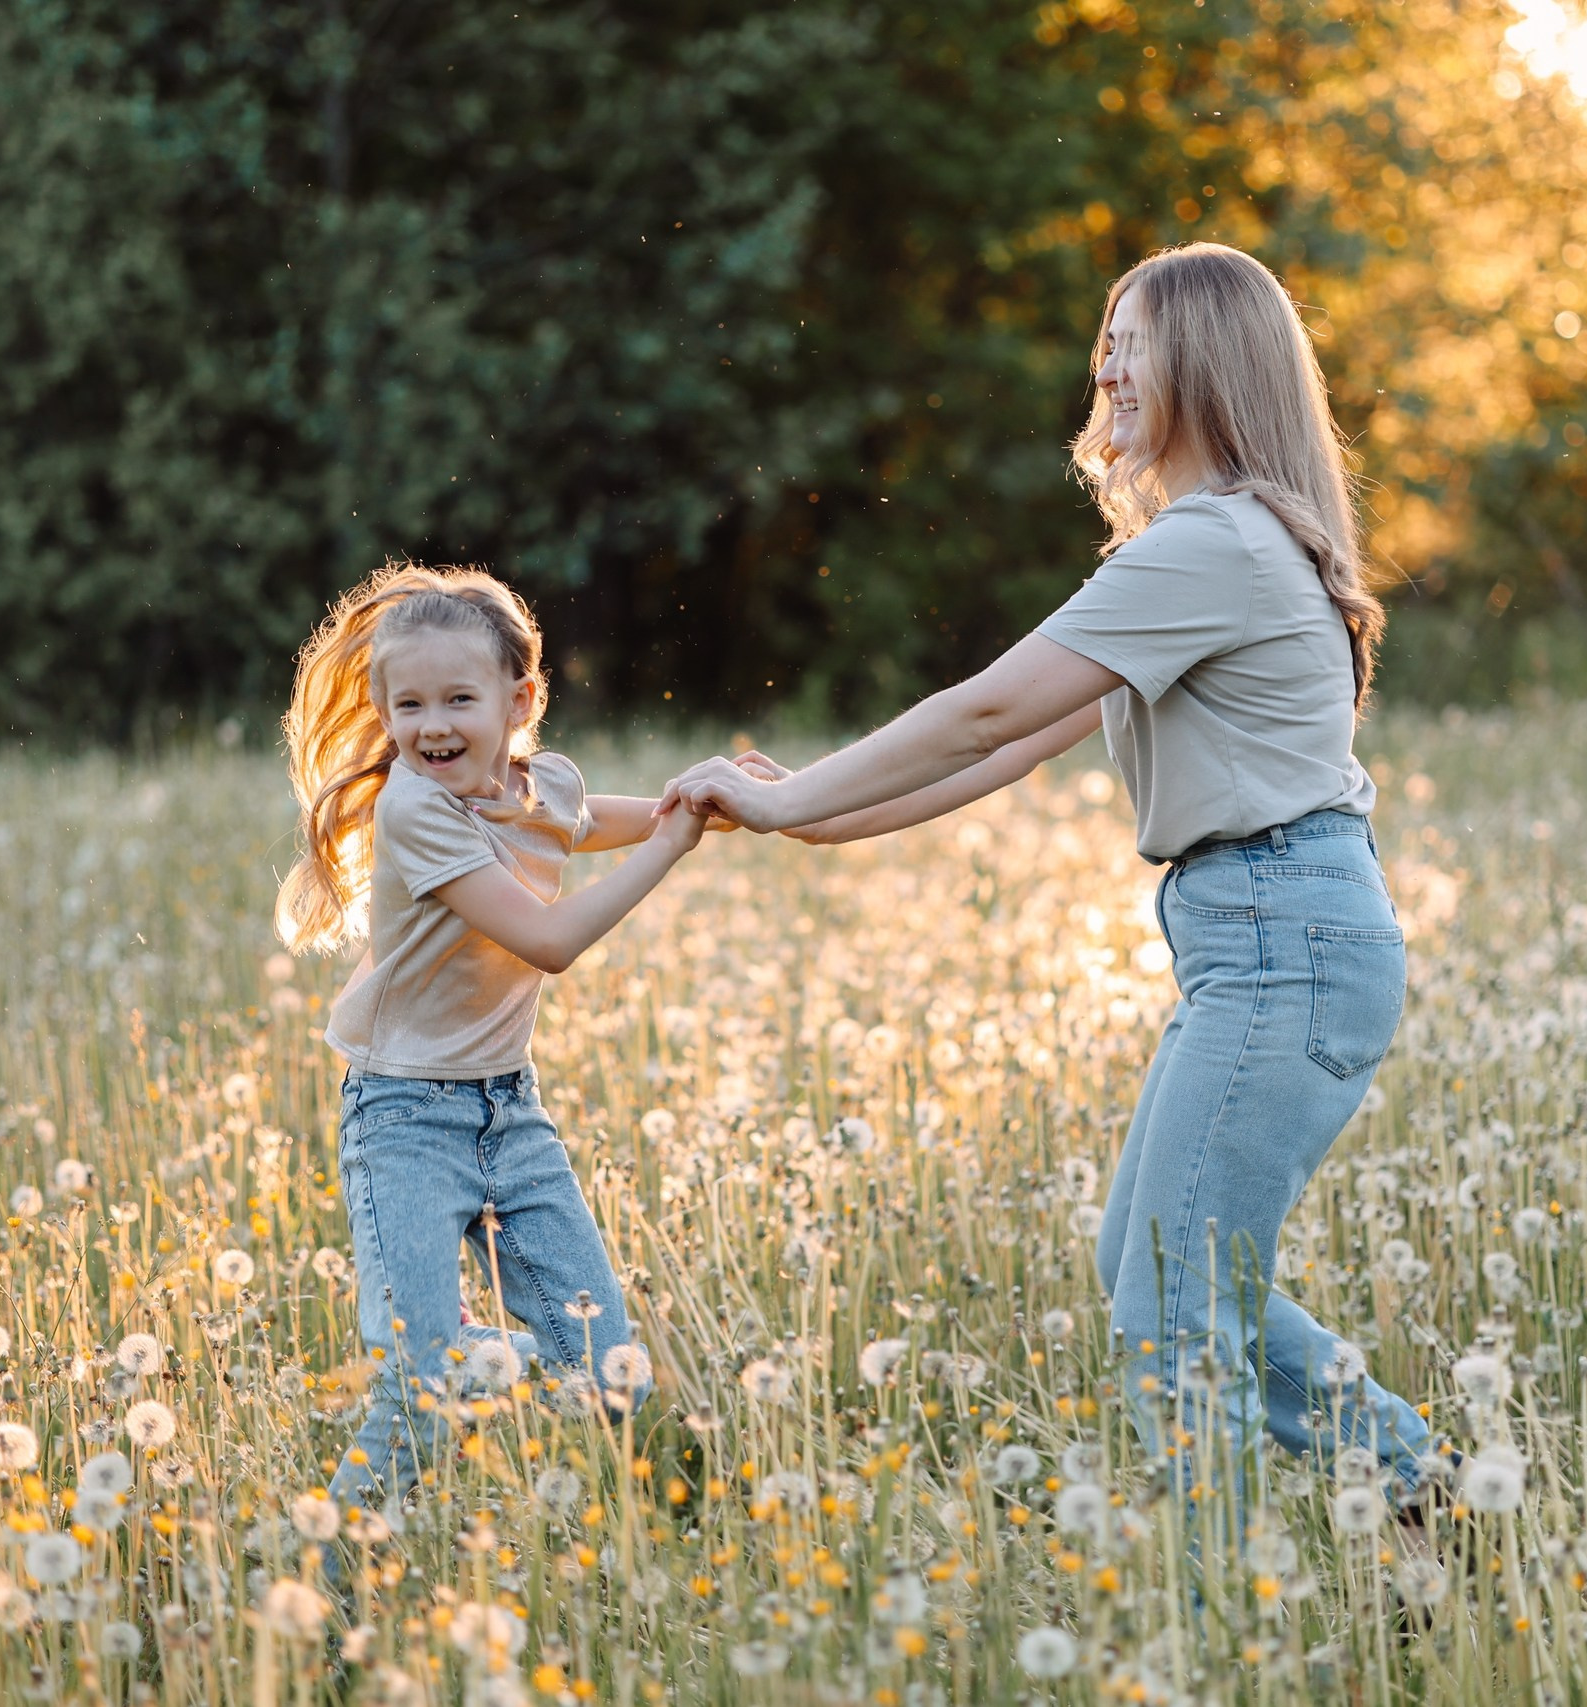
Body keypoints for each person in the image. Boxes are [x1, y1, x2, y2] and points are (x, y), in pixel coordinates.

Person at [659, 243, 1437, 1516]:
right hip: (1271, 933)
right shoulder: (1222, 545)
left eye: (1133, 341)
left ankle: (1224, 1619)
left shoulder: (1214, 546)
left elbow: (979, 712)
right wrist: (804, 819)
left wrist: (791, 795)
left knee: (1172, 1309)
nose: (1108, 366)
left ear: (1211, 360)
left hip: (1279, 936)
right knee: (1157, 1272)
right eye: (1106, 342)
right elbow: (1010, 749)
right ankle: (1427, 1496)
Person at [275, 563, 714, 1535]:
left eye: (459, 699)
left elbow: (588, 820)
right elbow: (548, 941)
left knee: (611, 1371)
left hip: (509, 1114)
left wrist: (705, 802)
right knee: (415, 1393)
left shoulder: (536, 782)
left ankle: (689, 1553)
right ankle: (320, 1607)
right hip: (403, 1120)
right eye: (409, 704)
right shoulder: (415, 808)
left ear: (520, 702)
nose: (432, 725)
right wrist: (669, 850)